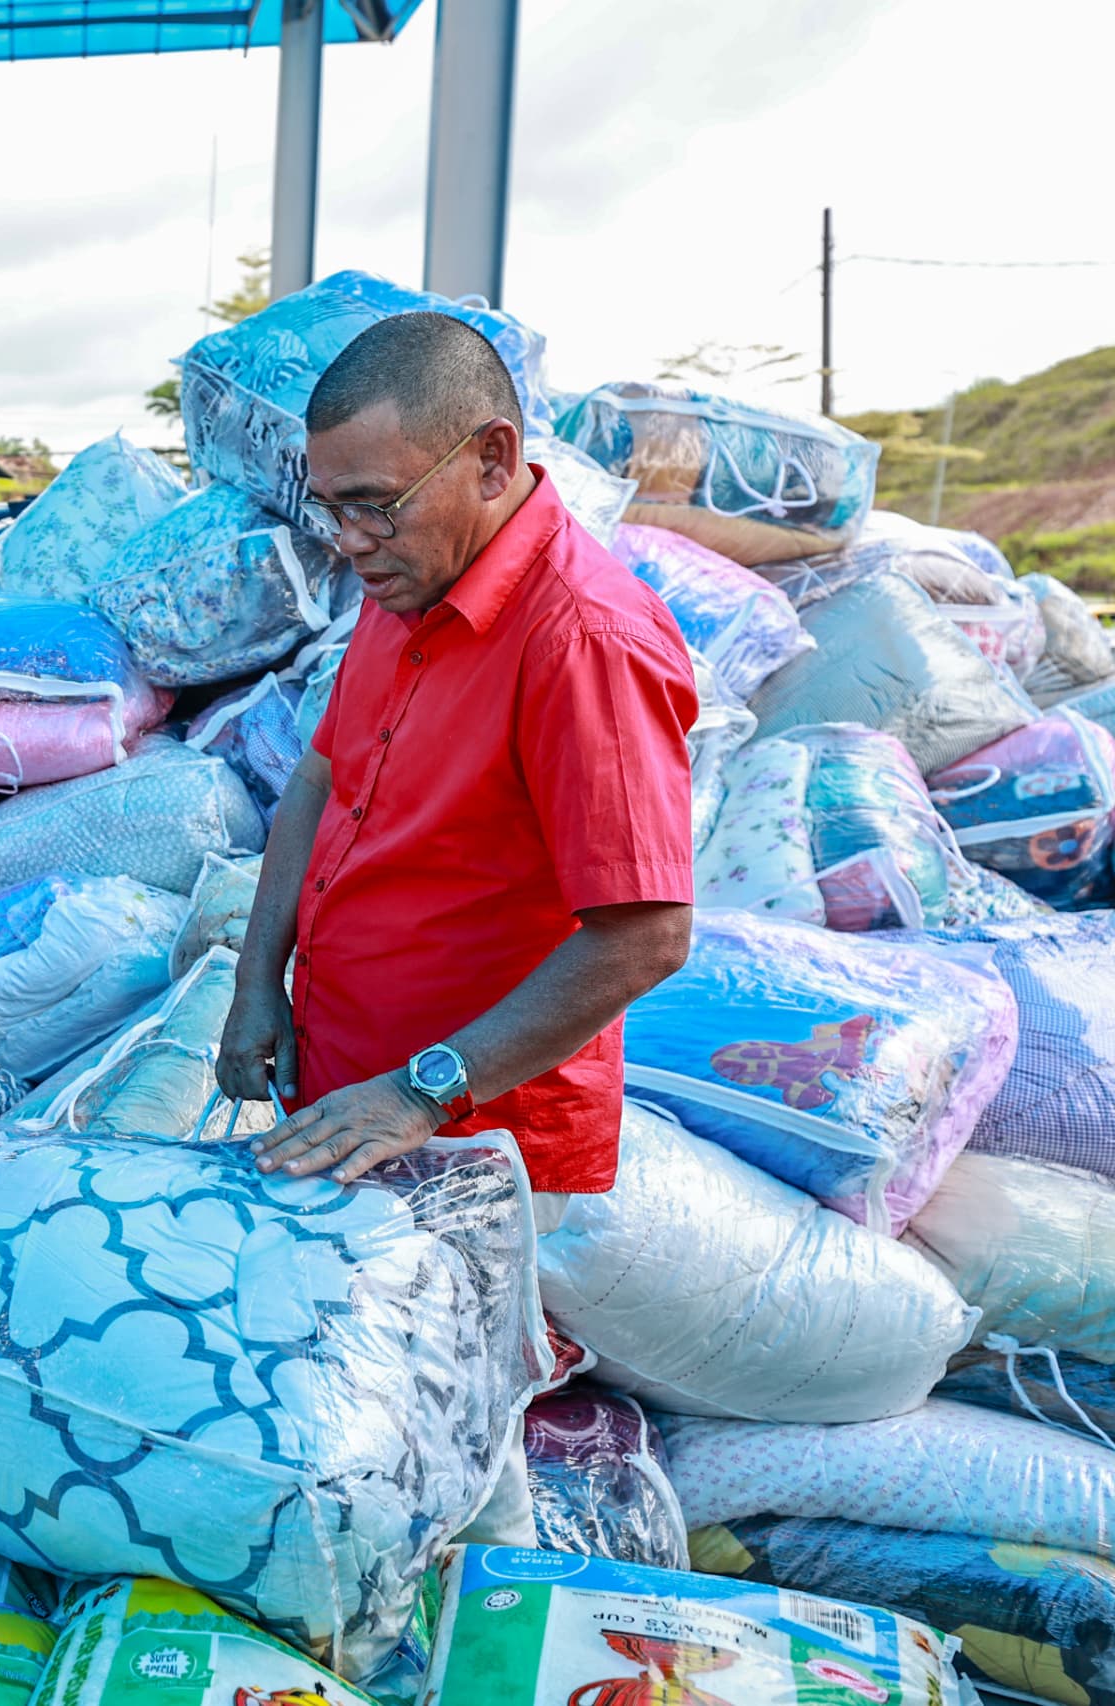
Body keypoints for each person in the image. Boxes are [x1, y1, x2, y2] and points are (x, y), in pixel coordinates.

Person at [213, 313, 697, 1540]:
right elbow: (320, 778)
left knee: (449, 1454)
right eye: (331, 508)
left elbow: (642, 932)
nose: (349, 542)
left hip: (475, 1136)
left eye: (373, 504)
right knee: (357, 1412)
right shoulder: (409, 581)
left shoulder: (580, 634)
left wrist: (421, 1089)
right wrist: (258, 977)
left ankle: (475, 1648)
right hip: (354, 1096)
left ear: (489, 456)